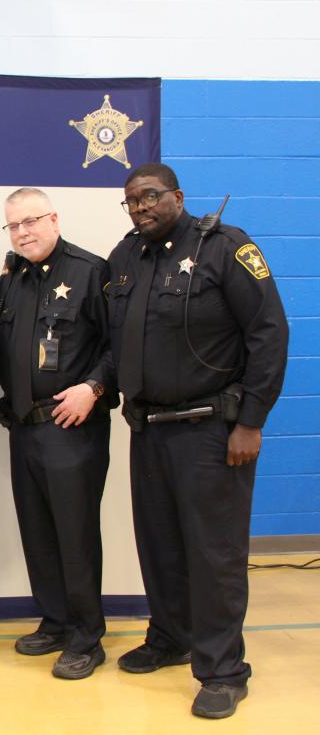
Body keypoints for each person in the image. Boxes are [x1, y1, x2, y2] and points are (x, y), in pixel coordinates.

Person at [106, 163, 288, 718]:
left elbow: (269, 332)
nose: (141, 207)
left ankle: (223, 669)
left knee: (215, 556)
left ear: (177, 197)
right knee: (159, 546)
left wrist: (250, 421)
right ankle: (171, 637)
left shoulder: (224, 248)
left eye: (151, 196)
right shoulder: (124, 257)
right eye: (132, 200)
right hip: (150, 428)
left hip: (213, 431)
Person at [0, 187, 117, 679]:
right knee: (38, 532)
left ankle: (87, 636)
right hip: (25, 427)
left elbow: (118, 343)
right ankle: (56, 620)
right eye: (14, 225)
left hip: (72, 427)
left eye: (32, 221)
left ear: (54, 219)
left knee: (75, 533)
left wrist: (94, 385)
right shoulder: (9, 283)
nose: (24, 231)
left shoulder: (90, 272)